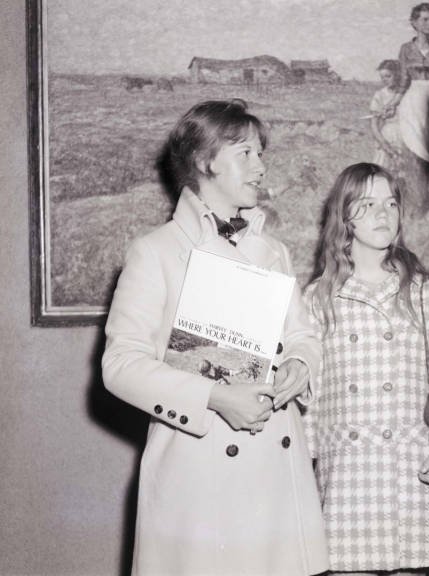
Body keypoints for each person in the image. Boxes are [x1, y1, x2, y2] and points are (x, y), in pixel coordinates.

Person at [101, 99, 329, 576]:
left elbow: (303, 334)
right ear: (205, 162)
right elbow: (120, 365)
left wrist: (300, 366)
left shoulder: (271, 250)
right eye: (246, 153)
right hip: (199, 477)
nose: (262, 166)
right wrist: (217, 397)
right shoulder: (155, 253)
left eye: (261, 153)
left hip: (274, 475)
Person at [303, 162, 429, 575]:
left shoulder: (424, 293)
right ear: (344, 217)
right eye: (368, 203)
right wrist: (300, 472)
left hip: (407, 473)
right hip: (344, 477)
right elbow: (310, 400)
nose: (383, 213)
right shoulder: (318, 298)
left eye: (391, 203)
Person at [389, 2, 429, 201]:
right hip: (413, 99)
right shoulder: (406, 49)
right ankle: (416, 192)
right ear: (414, 23)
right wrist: (394, 102)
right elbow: (403, 80)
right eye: (424, 19)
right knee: (415, 143)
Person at [369, 59, 405, 170]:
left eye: (388, 76)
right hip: (388, 140)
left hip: (407, 139)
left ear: (397, 74)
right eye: (382, 77)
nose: (384, 80)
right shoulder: (379, 95)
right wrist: (386, 147)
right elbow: (374, 126)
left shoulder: (406, 93)